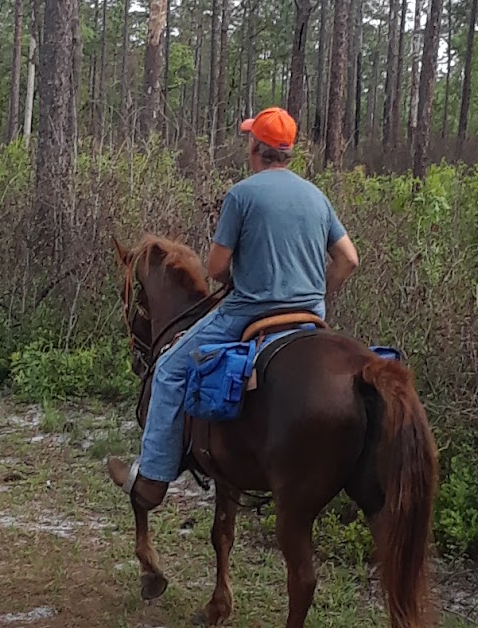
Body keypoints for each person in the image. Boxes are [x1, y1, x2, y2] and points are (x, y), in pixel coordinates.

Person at [107, 106, 359, 508]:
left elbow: (217, 269)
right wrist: (319, 298)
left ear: (256, 148)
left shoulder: (243, 194)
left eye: (249, 139)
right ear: (288, 151)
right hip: (309, 319)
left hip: (250, 313)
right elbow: (348, 259)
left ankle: (152, 478)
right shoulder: (316, 196)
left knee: (171, 366)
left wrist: (241, 276)